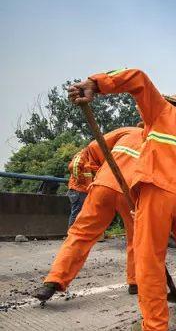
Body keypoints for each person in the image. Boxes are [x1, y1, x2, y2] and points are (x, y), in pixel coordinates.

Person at [68, 68, 176, 331]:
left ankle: (155, 326)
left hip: (159, 193)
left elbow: (137, 77)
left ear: (171, 104)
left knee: (150, 258)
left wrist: (95, 84)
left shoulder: (161, 112)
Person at [33, 126, 144, 302]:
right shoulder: (161, 143)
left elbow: (94, 147)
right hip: (132, 193)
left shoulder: (129, 131)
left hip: (104, 185)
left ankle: (54, 280)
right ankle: (135, 282)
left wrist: (105, 168)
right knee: (137, 238)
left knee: (80, 234)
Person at [66, 150, 96, 227]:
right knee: (77, 213)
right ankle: (72, 236)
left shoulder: (89, 157)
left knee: (81, 213)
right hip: (78, 190)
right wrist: (81, 180)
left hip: (84, 190)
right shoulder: (83, 155)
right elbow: (73, 166)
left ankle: (78, 235)